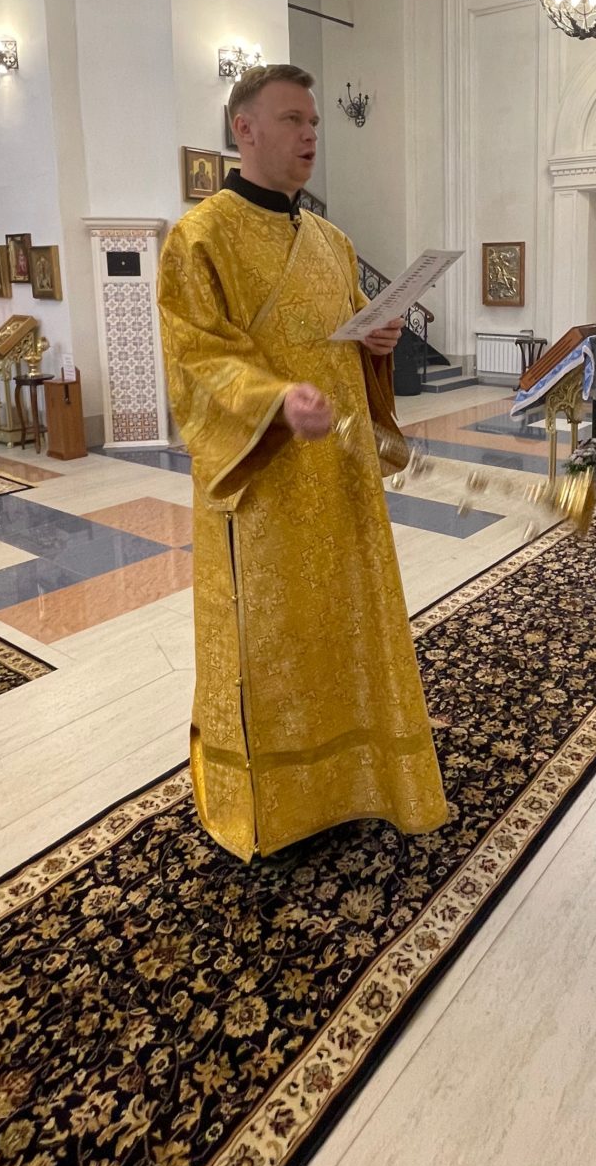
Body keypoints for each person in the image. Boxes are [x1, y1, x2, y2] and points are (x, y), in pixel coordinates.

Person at [157, 62, 450, 862]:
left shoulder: (333, 241)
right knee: (274, 643)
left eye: (314, 121)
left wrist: (377, 343)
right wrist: (276, 401)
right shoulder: (200, 237)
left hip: (342, 476)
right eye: (293, 120)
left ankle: (357, 781)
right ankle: (278, 808)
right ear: (244, 129)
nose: (311, 134)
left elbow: (347, 341)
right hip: (267, 484)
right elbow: (196, 358)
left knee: (348, 626)